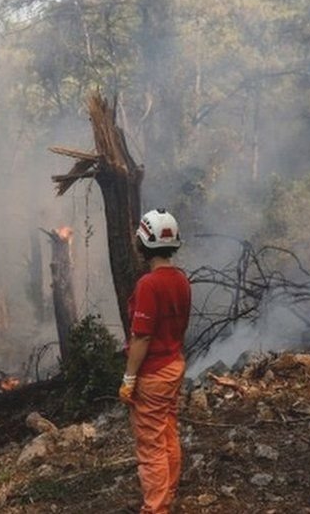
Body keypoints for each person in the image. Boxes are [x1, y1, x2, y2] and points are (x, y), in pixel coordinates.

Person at [119, 208, 191, 514]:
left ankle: (156, 507)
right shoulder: (181, 280)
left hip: (152, 373)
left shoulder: (149, 284)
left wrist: (129, 377)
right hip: (174, 364)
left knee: (150, 445)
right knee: (167, 432)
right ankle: (168, 492)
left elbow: (142, 337)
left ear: (142, 244)